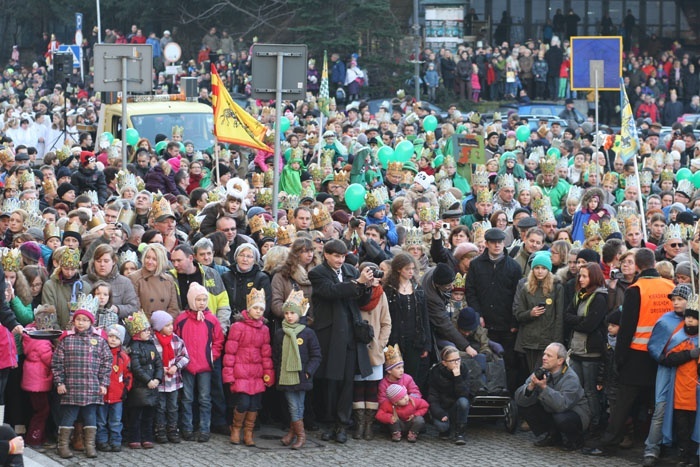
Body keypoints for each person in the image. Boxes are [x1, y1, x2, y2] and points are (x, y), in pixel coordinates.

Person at [585, 248, 674, 456]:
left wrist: (619, 357)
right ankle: (658, 447)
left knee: (623, 404)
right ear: (653, 263)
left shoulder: (636, 289)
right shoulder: (670, 286)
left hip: (637, 354)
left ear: (638, 266)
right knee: (658, 405)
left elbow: (627, 327)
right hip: (663, 355)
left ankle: (609, 444)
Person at [308, 239, 374, 444]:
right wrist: (358, 283)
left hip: (350, 335)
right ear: (326, 255)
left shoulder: (351, 271)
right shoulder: (317, 273)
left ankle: (342, 424)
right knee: (330, 382)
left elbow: (361, 301)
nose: (339, 260)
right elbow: (331, 292)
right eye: (336, 256)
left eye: (343, 256)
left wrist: (367, 287)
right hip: (329, 335)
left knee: (347, 383)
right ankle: (328, 423)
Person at [465, 227, 522, 393]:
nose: (497, 245)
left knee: (509, 362)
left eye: (500, 242)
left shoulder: (513, 266)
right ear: (487, 244)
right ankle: (486, 394)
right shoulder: (476, 265)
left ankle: (507, 395)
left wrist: (513, 322)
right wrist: (478, 315)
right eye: (493, 242)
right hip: (485, 323)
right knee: (486, 360)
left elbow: (517, 296)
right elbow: (471, 291)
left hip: (506, 324)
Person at [51, 307, 112, 459]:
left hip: (92, 387)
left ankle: (90, 445)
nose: (81, 323)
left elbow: (107, 363)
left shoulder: (99, 341)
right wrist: (59, 383)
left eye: (85, 320)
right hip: (71, 387)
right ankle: (63, 445)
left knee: (91, 416)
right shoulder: (67, 340)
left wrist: (103, 384)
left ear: (91, 322)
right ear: (73, 321)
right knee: (69, 416)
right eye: (78, 319)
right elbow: (57, 362)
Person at [223, 288, 275, 447]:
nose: (258, 311)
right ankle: (236, 429)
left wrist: (268, 373)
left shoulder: (264, 329)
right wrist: (229, 375)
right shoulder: (238, 327)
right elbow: (230, 352)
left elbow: (266, 354)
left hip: (257, 373)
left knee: (254, 405)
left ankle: (248, 432)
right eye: (255, 308)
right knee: (243, 403)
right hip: (241, 373)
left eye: (261, 309)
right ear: (249, 308)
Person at [173, 283, 225, 443]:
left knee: (204, 398)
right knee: (187, 398)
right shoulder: (181, 319)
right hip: (186, 365)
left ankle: (204, 429)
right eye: (198, 299)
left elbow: (218, 340)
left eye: (204, 299)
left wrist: (212, 357)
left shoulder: (211, 319)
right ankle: (187, 428)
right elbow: (175, 339)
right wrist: (180, 359)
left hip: (205, 365)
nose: (202, 303)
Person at [515, 342, 590, 451]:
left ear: (560, 360)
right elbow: (519, 399)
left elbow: (562, 405)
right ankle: (553, 435)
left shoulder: (570, 378)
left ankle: (575, 439)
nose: (544, 358)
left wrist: (545, 388)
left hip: (575, 414)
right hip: (552, 410)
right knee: (525, 404)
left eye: (549, 356)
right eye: (544, 354)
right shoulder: (542, 371)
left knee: (561, 418)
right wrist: (531, 386)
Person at [272, 290, 321, 450]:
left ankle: (297, 435)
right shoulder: (280, 334)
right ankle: (297, 435)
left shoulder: (308, 333)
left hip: (302, 376)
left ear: (299, 314)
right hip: (286, 375)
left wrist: (308, 371)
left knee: (298, 405)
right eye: (286, 313)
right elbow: (276, 355)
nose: (289, 316)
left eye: (292, 313)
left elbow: (316, 355)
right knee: (293, 405)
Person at [563, 262, 608, 432]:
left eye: (584, 276)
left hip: (591, 353)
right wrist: (579, 321)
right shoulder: (579, 294)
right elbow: (567, 315)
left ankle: (595, 424)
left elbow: (590, 325)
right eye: (580, 276)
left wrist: (577, 322)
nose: (580, 279)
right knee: (577, 389)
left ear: (593, 277)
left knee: (590, 391)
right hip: (576, 350)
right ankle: (581, 421)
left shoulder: (599, 297)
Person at [352, 261, 391, 441]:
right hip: (357, 348)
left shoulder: (381, 295)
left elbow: (386, 322)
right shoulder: (355, 293)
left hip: (374, 348)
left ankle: (369, 425)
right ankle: (359, 425)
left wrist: (381, 344)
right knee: (358, 386)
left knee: (372, 388)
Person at [384, 254, 431, 390]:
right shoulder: (389, 290)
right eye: (407, 269)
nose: (411, 272)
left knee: (411, 376)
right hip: (394, 338)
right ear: (399, 269)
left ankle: (410, 406)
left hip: (415, 339)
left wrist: (426, 344)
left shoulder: (418, 289)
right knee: (393, 375)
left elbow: (424, 317)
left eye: (412, 269)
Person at [514, 251, 565, 372]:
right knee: (533, 373)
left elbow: (559, 318)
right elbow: (518, 314)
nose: (540, 271)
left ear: (548, 270)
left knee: (543, 373)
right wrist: (530, 313)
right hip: (529, 339)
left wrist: (557, 343)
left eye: (543, 268)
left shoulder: (557, 287)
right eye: (537, 268)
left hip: (548, 339)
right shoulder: (526, 288)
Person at [124, 311, 162, 450]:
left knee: (149, 415)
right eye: (144, 330)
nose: (148, 332)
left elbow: (158, 362)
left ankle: (147, 437)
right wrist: (148, 380)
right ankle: (134, 437)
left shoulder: (151, 345)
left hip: (152, 385)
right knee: (136, 415)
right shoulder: (134, 347)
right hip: (139, 387)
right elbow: (136, 367)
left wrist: (158, 378)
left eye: (148, 330)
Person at [150, 310, 189, 445]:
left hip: (173, 381)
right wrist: (160, 369)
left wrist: (176, 366)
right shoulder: (152, 341)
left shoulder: (176, 340)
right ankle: (160, 430)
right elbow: (150, 360)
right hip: (159, 381)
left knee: (173, 406)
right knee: (160, 407)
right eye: (167, 325)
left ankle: (172, 429)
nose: (171, 328)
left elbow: (185, 356)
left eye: (171, 324)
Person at [20, 305, 56, 447]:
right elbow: (49, 359)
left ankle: (39, 437)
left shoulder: (30, 334)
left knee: (37, 409)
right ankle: (34, 438)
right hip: (38, 382)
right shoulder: (41, 340)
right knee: (42, 411)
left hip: (32, 380)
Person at [96, 324, 131, 453]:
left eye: (116, 337)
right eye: (110, 336)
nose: (112, 340)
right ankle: (102, 441)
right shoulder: (100, 353)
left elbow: (128, 375)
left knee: (116, 421)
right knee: (101, 420)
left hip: (117, 395)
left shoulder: (123, 357)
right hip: (102, 394)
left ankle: (116, 441)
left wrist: (126, 389)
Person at [428, 346, 470, 445]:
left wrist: (458, 377)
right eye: (453, 361)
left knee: (463, 402)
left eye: (458, 359)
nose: (457, 363)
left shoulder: (463, 369)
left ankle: (460, 432)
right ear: (444, 363)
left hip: (456, 406)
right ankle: (446, 429)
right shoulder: (436, 373)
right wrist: (440, 413)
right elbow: (432, 398)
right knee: (442, 427)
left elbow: (464, 394)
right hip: (442, 407)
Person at [129, 244, 180, 319]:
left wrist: (165, 324)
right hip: (145, 326)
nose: (150, 262)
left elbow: (173, 308)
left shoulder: (169, 279)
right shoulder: (134, 278)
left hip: (164, 325)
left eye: (154, 259)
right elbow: (135, 308)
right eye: (148, 257)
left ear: (161, 261)